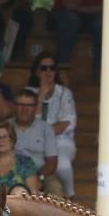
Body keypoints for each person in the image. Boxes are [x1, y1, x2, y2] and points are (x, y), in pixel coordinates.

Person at [28, 52, 77, 197]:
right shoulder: (29, 92)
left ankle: (70, 195)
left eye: (52, 68)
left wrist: (43, 132)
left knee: (62, 165)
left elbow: (67, 123)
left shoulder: (64, 93)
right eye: (44, 68)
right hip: (33, 141)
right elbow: (29, 121)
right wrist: (41, 96)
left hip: (61, 140)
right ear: (36, 71)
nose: (48, 72)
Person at [10, 89, 61, 196]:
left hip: (41, 174)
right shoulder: (6, 126)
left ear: (35, 108)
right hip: (11, 173)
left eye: (29, 105)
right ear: (14, 106)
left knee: (55, 187)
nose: (24, 109)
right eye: (20, 105)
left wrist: (38, 177)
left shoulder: (46, 128)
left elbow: (52, 162)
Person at [0, 121, 40, 194]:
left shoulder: (26, 163)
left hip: (21, 204)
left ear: (12, 140)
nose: (1, 140)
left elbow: (34, 194)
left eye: (5, 137)